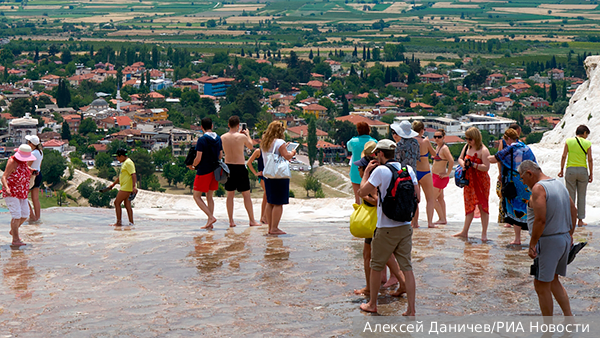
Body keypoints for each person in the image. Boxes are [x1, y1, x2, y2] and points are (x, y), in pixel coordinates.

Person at [357, 139, 418, 315]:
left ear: (381, 154)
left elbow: (362, 192)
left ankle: (372, 304)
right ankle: (411, 309)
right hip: (406, 226)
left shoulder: (381, 171)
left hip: (386, 227)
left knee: (376, 266)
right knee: (407, 267)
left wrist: (367, 172)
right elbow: (417, 197)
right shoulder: (408, 170)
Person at [519, 160, 576, 316]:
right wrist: (570, 234)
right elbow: (574, 210)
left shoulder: (539, 188)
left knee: (541, 285)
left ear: (529, 173)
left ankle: (548, 329)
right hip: (563, 238)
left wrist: (532, 244)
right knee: (553, 281)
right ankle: (569, 318)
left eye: (522, 178)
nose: (523, 183)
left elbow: (540, 220)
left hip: (549, 241)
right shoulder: (558, 184)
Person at [353, 146, 405, 296]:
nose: (358, 170)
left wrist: (365, 196)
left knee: (370, 255)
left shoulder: (372, 181)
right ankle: (400, 282)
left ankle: (371, 287)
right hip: (377, 222)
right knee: (383, 255)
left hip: (377, 223)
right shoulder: (376, 179)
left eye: (360, 168)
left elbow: (378, 200)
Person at [488, 128, 537, 245]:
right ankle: (534, 239)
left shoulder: (510, 149)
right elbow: (534, 163)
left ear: (508, 138)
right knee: (529, 209)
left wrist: (483, 156)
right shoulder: (526, 148)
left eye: (505, 139)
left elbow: (494, 159)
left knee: (516, 208)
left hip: (513, 182)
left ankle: (517, 239)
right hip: (526, 181)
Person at [221, 116, 261, 227]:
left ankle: (231, 221)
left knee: (230, 195)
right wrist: (247, 134)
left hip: (228, 166)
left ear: (228, 125)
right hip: (239, 166)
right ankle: (252, 220)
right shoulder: (241, 137)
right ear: (238, 125)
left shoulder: (223, 137)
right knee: (246, 195)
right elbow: (251, 146)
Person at [453, 127, 491, 242]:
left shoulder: (484, 151)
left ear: (476, 138)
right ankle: (464, 231)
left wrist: (473, 165)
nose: (468, 141)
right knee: (469, 205)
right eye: (466, 138)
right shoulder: (466, 147)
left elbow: (486, 167)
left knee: (483, 206)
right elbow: (460, 158)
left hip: (481, 182)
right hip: (469, 181)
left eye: (470, 139)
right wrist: (463, 164)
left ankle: (484, 233)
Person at [261, 121, 296, 235]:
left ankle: (270, 227)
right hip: (279, 175)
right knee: (278, 203)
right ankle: (275, 228)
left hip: (268, 174)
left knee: (270, 201)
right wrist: (293, 152)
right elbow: (287, 156)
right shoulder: (280, 142)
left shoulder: (266, 142)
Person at [189, 117, 222, 230]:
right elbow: (220, 156)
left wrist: (193, 165)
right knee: (210, 197)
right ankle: (210, 222)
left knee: (196, 196)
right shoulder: (218, 138)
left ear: (201, 127)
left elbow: (198, 158)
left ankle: (210, 217)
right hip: (215, 170)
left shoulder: (202, 140)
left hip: (204, 170)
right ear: (212, 126)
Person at [558, 124, 593, 226]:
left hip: (570, 170)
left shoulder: (569, 141)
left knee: (570, 195)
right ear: (585, 133)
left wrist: (561, 169)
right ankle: (580, 220)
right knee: (582, 196)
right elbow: (590, 159)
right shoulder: (587, 143)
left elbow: (564, 156)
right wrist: (591, 174)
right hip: (583, 171)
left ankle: (570, 219)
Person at [2, 144, 37, 246]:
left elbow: (25, 167)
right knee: (16, 216)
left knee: (25, 214)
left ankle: (13, 230)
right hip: (12, 192)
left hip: (22, 191)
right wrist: (7, 188)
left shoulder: (23, 162)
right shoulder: (12, 162)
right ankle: (15, 240)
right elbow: (4, 177)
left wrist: (31, 171)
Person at [391, 120, 420, 228]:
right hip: (414, 172)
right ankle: (415, 223)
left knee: (402, 196)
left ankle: (405, 220)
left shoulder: (399, 145)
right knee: (415, 197)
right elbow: (417, 157)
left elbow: (397, 160)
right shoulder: (415, 143)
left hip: (403, 174)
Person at [412, 121, 437, 228]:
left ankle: (415, 223)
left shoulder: (411, 141)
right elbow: (434, 154)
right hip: (425, 172)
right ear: (422, 130)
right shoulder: (425, 141)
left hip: (414, 172)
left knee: (415, 199)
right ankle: (430, 223)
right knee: (430, 198)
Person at [497, 124, 522, 227]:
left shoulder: (519, 143)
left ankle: (512, 220)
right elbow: (498, 158)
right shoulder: (503, 142)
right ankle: (506, 219)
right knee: (505, 195)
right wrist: (499, 173)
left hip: (512, 173)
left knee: (513, 195)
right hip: (506, 173)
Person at [347, 122, 377, 205]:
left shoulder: (352, 141)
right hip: (370, 171)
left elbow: (349, 148)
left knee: (357, 199)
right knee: (370, 198)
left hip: (355, 171)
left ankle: (358, 215)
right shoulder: (373, 141)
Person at [107, 149, 137, 227]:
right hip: (126, 187)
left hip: (126, 187)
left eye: (118, 157)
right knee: (127, 205)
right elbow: (121, 176)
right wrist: (113, 184)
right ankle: (131, 223)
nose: (117, 158)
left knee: (117, 203)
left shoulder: (128, 163)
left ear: (122, 156)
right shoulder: (125, 163)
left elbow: (133, 174)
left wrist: (134, 187)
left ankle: (118, 223)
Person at [431, 129, 454, 225]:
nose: (436, 139)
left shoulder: (444, 148)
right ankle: (443, 218)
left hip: (440, 177)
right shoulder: (438, 147)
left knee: (432, 199)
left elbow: (451, 160)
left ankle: (441, 218)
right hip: (436, 176)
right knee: (440, 198)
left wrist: (448, 173)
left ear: (443, 137)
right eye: (435, 136)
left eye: (439, 137)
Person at [246, 146, 267, 225]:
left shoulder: (270, 150)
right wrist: (255, 173)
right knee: (266, 194)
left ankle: (264, 216)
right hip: (262, 176)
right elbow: (249, 162)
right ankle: (263, 217)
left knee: (267, 195)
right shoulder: (259, 151)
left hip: (269, 175)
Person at [25, 135, 43, 222]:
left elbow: (28, 166)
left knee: (23, 196)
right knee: (35, 198)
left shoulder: (32, 153)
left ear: (31, 144)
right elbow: (39, 165)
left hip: (32, 175)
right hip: (38, 174)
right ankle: (37, 218)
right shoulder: (40, 152)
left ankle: (31, 216)